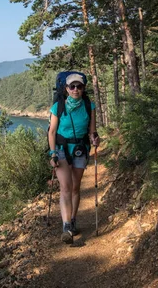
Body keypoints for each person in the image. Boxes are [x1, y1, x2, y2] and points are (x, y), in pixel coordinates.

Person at [48, 73, 99, 244]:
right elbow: (52, 132)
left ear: (84, 88)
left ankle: (73, 220)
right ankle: (66, 226)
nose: (76, 89)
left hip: (80, 149)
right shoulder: (58, 107)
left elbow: (92, 130)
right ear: (66, 89)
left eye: (79, 86)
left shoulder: (88, 105)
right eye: (72, 86)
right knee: (65, 187)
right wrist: (52, 152)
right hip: (62, 149)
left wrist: (94, 138)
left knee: (76, 187)